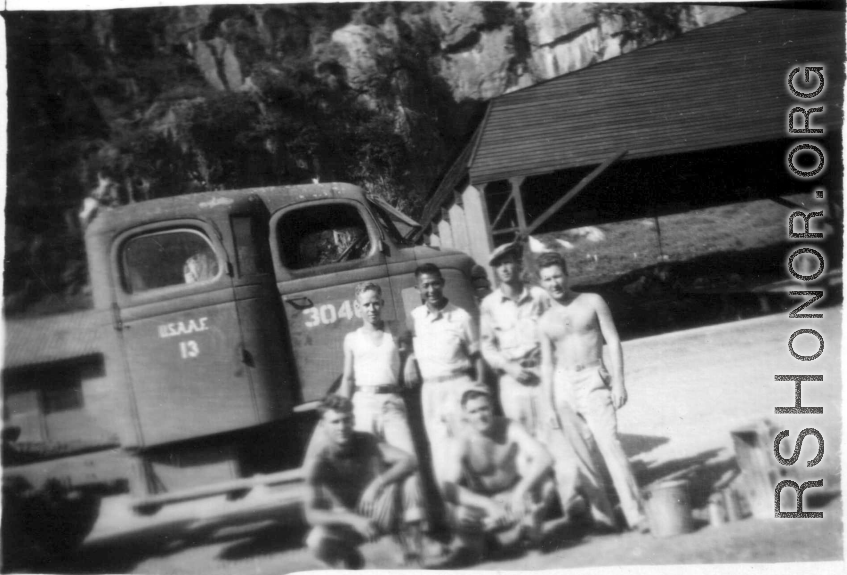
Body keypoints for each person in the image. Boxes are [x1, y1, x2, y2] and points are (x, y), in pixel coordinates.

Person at [481, 242, 616, 529]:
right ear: (495, 270)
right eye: (499, 265)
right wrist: (507, 366)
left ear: (519, 265)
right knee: (523, 445)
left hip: (544, 375)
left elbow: (560, 330)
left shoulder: (541, 295)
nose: (506, 268)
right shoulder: (489, 305)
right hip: (512, 381)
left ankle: (571, 500)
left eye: (510, 262)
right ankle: (536, 508)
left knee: (558, 439)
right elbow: (487, 346)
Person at [537, 252, 647, 531]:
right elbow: (547, 365)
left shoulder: (591, 301)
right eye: (548, 279)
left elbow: (612, 338)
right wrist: (548, 405)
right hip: (563, 384)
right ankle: (604, 518)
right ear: (542, 283)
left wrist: (619, 381)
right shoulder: (544, 320)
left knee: (610, 445)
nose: (554, 283)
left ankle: (636, 515)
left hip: (593, 378)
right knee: (581, 455)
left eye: (558, 276)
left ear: (566, 274)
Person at [337, 281, 424, 554]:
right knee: (373, 470)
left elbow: (412, 348)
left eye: (376, 303)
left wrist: (410, 359)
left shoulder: (395, 330)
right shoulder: (351, 339)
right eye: (366, 304)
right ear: (357, 308)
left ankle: (415, 529)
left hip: (392, 403)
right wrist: (339, 407)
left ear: (382, 303)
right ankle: (394, 536)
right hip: (363, 403)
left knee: (409, 463)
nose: (372, 309)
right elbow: (348, 378)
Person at [435, 388, 556, 566]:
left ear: (492, 407)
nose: (480, 415)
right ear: (466, 416)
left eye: (484, 408)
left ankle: (530, 533)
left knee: (546, 486)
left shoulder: (509, 427)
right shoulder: (461, 440)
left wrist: (518, 493)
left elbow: (544, 457)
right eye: (473, 411)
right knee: (460, 516)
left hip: (513, 497)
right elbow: (448, 488)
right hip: (485, 505)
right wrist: (488, 504)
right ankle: (486, 541)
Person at [303, 394, 423, 568]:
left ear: (353, 420)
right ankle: (348, 555)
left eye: (346, 420)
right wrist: (352, 519)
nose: (342, 427)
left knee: (411, 483)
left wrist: (378, 483)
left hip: (377, 512)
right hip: (346, 521)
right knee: (316, 542)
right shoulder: (319, 460)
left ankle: (414, 555)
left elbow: (410, 460)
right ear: (323, 425)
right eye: (335, 422)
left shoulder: (366, 440)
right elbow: (311, 514)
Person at [405, 263, 485, 481]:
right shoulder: (415, 317)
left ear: (443, 284)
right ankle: (454, 507)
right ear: (418, 289)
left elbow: (477, 357)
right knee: (440, 449)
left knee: (470, 447)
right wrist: (411, 359)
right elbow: (412, 345)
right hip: (430, 391)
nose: (431, 290)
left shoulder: (461, 317)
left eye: (435, 284)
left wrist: (479, 388)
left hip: (458, 385)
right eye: (425, 285)